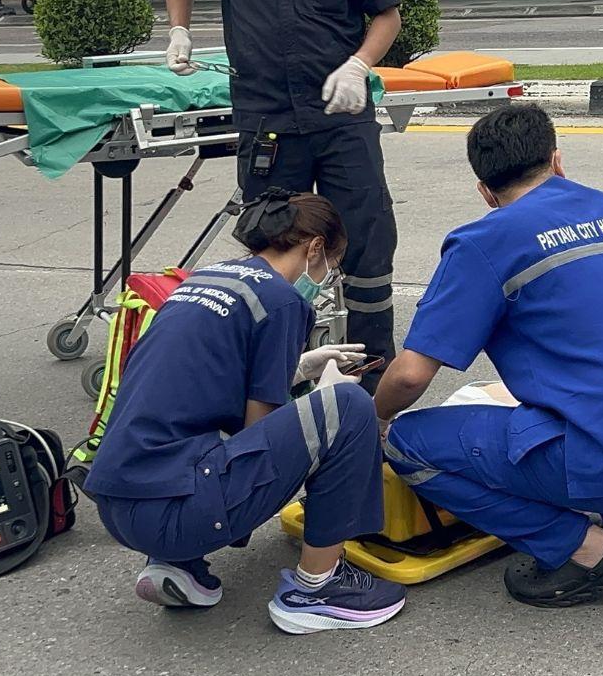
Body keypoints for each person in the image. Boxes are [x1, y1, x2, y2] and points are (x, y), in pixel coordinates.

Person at [374, 104, 603, 608]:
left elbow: (408, 377)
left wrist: (376, 417)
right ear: (558, 161)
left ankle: (587, 549)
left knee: (406, 442)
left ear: (485, 192)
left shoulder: (483, 242)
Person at [82, 189, 407, 635]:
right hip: (175, 514)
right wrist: (326, 398)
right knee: (348, 407)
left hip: (120, 506)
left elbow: (203, 385)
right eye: (331, 262)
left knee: (195, 431)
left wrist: (297, 371)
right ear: (314, 247)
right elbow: (260, 432)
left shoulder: (205, 280)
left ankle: (177, 566)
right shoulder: (282, 300)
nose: (328, 275)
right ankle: (317, 587)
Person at [163, 0, 405, 367]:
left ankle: (372, 378)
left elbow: (388, 15)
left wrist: (359, 64)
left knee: (367, 237)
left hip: (342, 119)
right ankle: (284, 367)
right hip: (267, 117)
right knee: (277, 244)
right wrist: (179, 30)